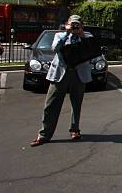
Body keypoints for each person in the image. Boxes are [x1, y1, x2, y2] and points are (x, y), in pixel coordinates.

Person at [30, 15, 94, 147]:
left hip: (78, 74)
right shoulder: (60, 35)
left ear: (82, 26)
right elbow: (55, 49)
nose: (75, 27)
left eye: (78, 25)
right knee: (51, 104)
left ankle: (75, 130)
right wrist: (67, 34)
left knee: (77, 104)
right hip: (60, 74)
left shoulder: (87, 36)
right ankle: (44, 135)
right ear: (67, 24)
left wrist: (81, 35)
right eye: (72, 24)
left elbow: (91, 50)